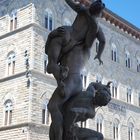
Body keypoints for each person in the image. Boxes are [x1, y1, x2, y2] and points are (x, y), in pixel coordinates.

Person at [46, 0, 106, 140]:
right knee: (64, 109)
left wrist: (51, 35)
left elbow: (70, 3)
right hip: (78, 83)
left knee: (52, 106)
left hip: (69, 81)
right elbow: (102, 41)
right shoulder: (90, 40)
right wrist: (99, 54)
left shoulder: (82, 12)